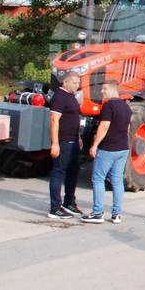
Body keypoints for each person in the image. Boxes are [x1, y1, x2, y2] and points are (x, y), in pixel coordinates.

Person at [83, 80, 131, 224]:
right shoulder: (126, 107)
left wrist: (95, 144)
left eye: (104, 89)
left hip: (107, 148)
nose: (102, 92)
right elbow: (127, 128)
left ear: (112, 90)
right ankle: (116, 214)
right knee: (117, 180)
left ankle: (98, 213)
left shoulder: (108, 106)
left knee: (98, 178)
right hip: (122, 148)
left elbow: (104, 126)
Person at [48, 71, 84, 219]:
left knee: (73, 171)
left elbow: (74, 118)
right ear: (65, 82)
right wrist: (55, 143)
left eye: (78, 83)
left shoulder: (72, 97)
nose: (77, 86)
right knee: (59, 172)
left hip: (74, 141)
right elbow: (54, 121)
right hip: (63, 142)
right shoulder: (59, 97)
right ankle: (55, 208)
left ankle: (69, 202)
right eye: (74, 83)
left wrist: (78, 137)